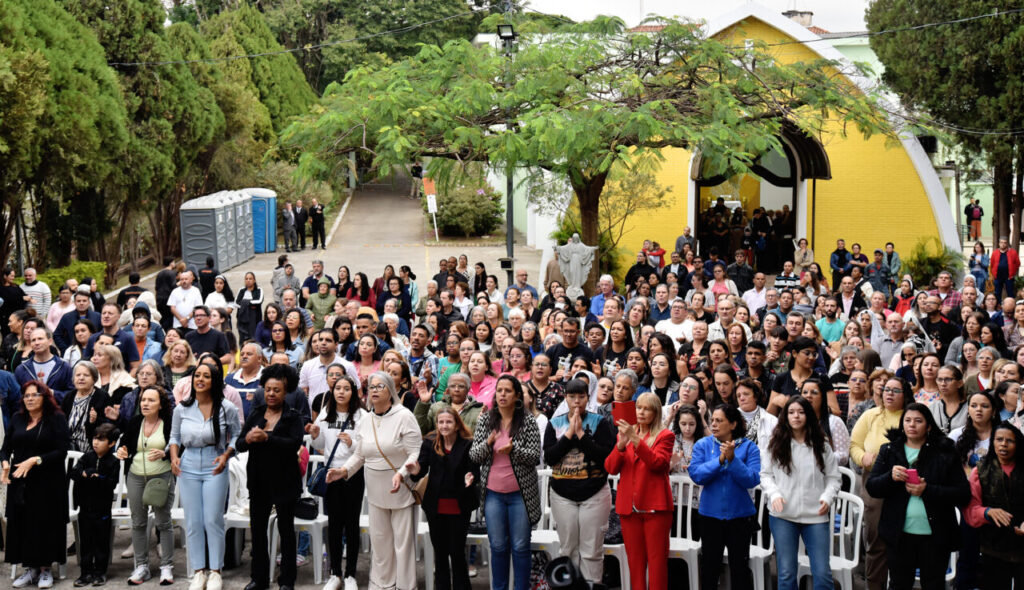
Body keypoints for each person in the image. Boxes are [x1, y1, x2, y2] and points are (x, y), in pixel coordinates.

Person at [329, 372, 422, 590]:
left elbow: (415, 452)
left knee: (403, 544)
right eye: (371, 387)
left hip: (400, 488)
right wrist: (343, 470)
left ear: (391, 390)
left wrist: (401, 473)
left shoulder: (404, 416)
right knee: (380, 542)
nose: (375, 390)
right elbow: (360, 454)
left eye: (380, 386)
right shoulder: (366, 419)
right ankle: (382, 585)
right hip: (374, 489)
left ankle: (405, 586)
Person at [866, 402, 970, 590]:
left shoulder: (944, 451)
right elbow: (872, 487)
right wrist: (890, 477)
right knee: (899, 584)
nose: (912, 425)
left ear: (928, 426)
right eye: (907, 420)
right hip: (899, 534)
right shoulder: (889, 450)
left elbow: (962, 493)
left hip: (935, 535)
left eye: (918, 421)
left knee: (933, 585)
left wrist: (927, 490)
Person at [169, 361, 241, 590]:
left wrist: (226, 454)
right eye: (197, 375)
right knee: (193, 521)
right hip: (188, 463)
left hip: (214, 463)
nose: (200, 379)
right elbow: (174, 437)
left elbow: (237, 435)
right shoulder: (182, 408)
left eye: (206, 376)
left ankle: (216, 571)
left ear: (215, 381)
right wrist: (174, 457)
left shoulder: (226, 407)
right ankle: (199, 571)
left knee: (212, 519)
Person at [236, 363, 305, 590]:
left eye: (277, 390)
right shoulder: (256, 413)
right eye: (268, 390)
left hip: (285, 480)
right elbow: (239, 444)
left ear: (286, 392)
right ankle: (259, 578)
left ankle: (287, 581)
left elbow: (294, 443)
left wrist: (267, 438)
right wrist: (248, 439)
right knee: (258, 531)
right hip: (258, 480)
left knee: (286, 531)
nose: (271, 394)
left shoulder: (292, 417)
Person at [469, 375, 542, 590]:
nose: (502, 394)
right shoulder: (486, 420)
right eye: (499, 390)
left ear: (517, 395)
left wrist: (514, 450)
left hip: (521, 494)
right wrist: (488, 444)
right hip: (493, 494)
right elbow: (474, 456)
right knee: (498, 546)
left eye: (507, 391)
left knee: (520, 546)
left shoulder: (528, 421)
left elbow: (534, 457)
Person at [761, 396, 840, 590]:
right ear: (785, 416)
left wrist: (827, 497)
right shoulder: (775, 443)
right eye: (791, 412)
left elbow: (834, 477)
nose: (796, 416)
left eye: (801, 412)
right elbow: (766, 475)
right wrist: (774, 494)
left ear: (808, 415)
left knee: (822, 573)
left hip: (816, 516)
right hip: (783, 515)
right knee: (786, 573)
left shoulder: (822, 445)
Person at [543, 379, 615, 584]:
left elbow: (604, 457)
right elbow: (550, 458)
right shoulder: (555, 423)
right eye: (572, 397)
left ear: (587, 398)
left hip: (594, 492)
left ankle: (591, 585)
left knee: (591, 550)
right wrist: (568, 435)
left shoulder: (600, 422)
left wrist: (581, 435)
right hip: (562, 494)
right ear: (565, 398)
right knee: (568, 549)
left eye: (581, 397)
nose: (576, 401)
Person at [2, 381, 70, 589]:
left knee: (44, 523)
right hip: (20, 480)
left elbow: (62, 451)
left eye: (35, 395)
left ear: (45, 397)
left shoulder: (56, 418)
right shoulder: (17, 418)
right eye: (26, 395)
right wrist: (4, 463)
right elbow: (5, 448)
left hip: (48, 481)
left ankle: (45, 569)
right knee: (22, 523)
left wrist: (36, 460)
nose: (30, 399)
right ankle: (30, 569)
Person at [603, 391, 673, 590]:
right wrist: (621, 445)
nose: (641, 412)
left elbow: (658, 463)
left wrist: (634, 439)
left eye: (647, 409)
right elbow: (610, 468)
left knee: (657, 563)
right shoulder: (624, 435)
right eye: (639, 408)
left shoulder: (665, 435)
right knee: (635, 563)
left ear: (656, 413)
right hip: (629, 509)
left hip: (655, 508)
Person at [690, 403, 761, 590]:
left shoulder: (749, 447)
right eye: (712, 420)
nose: (713, 424)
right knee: (710, 569)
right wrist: (720, 460)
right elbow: (697, 475)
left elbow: (752, 479)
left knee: (740, 570)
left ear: (733, 424)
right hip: (709, 517)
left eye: (719, 421)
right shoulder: (702, 445)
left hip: (740, 518)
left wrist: (733, 459)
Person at [408, 407, 479, 590]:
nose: (444, 426)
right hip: (436, 505)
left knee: (456, 552)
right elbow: (421, 469)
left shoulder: (467, 444)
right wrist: (415, 470)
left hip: (459, 504)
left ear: (457, 425)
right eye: (441, 422)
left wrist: (470, 477)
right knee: (440, 553)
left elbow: (474, 469)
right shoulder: (430, 442)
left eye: (449, 422)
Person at [850, 375, 908, 590]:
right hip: (874, 480)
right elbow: (854, 444)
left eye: (895, 390)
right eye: (886, 389)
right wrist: (861, 457)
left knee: (902, 541)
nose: (889, 394)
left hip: (903, 483)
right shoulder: (870, 415)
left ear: (905, 394)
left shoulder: (910, 416)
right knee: (876, 540)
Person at [309, 375, 366, 590]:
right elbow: (320, 443)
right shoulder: (326, 413)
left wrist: (352, 444)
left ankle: (350, 574)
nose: (341, 392)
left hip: (352, 473)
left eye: (346, 388)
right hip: (331, 473)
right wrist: (315, 435)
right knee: (334, 525)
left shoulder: (362, 415)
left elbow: (365, 448)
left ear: (353, 392)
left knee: (351, 524)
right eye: (337, 388)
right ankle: (335, 574)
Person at [116, 386, 177, 586]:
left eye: (151, 400)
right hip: (135, 476)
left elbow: (179, 446)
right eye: (143, 400)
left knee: (163, 522)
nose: (145, 403)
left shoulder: (169, 423)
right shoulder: (135, 422)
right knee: (138, 522)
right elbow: (124, 445)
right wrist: (122, 452)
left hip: (161, 476)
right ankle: (141, 566)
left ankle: (166, 566)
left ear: (161, 404)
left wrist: (165, 453)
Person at [965, 423, 1024, 589]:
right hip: (993, 546)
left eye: (1009, 441)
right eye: (999, 440)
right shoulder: (980, 470)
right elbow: (971, 509)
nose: (1003, 444)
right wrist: (987, 512)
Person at [69, 422, 120, 587]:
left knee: (101, 542)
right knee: (86, 542)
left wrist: (98, 477)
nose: (96, 442)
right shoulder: (87, 457)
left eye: (101, 439)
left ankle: (100, 572)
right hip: (85, 508)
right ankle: (85, 573)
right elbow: (74, 472)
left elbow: (111, 483)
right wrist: (84, 473)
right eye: (94, 438)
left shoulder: (113, 462)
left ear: (111, 443)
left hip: (102, 510)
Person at [235, 272, 264, 343]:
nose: (248, 280)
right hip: (242, 318)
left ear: (254, 280)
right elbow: (236, 303)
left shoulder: (259, 290)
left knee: (254, 337)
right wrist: (249, 305)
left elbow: (259, 301)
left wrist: (244, 303)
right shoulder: (241, 290)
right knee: (243, 339)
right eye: (246, 279)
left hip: (255, 318)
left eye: (250, 279)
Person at [990, 236, 1020, 301]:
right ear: (999, 243)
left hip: (1009, 277)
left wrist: (1013, 272)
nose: (1003, 244)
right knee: (997, 293)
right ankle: (998, 305)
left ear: (1007, 244)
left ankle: (1011, 305)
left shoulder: (1013, 252)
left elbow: (1017, 263)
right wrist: (993, 274)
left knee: (1010, 293)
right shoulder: (995, 253)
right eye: (1001, 242)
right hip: (998, 277)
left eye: (1005, 243)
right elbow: (992, 264)